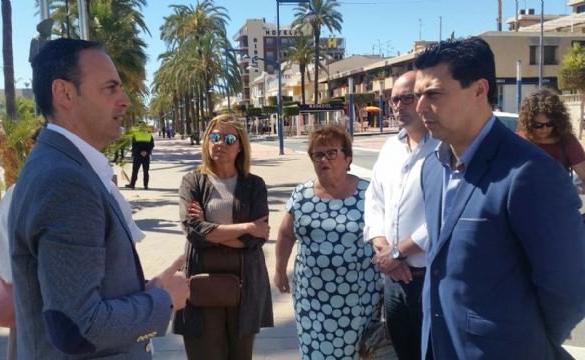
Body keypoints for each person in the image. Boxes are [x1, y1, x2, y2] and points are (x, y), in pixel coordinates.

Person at [8, 38, 189, 359]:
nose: (125, 100)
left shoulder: (62, 166)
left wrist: (148, 290)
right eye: (110, 88)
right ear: (65, 94)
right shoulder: (65, 181)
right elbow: (77, 328)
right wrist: (163, 300)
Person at [414, 37, 585, 359]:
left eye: (433, 94)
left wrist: (525, 336)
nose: (420, 107)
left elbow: (568, 287)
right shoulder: (432, 168)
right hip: (440, 345)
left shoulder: (530, 173)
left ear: (479, 90)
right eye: (418, 95)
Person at [275, 124, 380, 360]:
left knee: (359, 353)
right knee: (316, 353)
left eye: (331, 153)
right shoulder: (301, 194)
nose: (324, 160)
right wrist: (280, 271)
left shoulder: (370, 193)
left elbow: (384, 236)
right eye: (318, 155)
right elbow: (285, 234)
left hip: (360, 297)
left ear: (348, 157)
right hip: (312, 298)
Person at [174, 114, 273, 360]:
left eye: (229, 138)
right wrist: (246, 227)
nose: (221, 143)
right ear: (207, 141)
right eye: (215, 137)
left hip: (245, 284)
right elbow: (193, 230)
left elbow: (256, 240)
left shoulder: (255, 185)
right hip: (202, 282)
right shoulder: (193, 181)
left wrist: (213, 232)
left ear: (240, 146)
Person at [364, 71, 439, 360]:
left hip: (428, 279)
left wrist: (397, 253)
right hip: (393, 280)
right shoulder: (390, 148)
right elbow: (375, 201)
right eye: (393, 99)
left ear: (424, 99)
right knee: (404, 352)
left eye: (406, 98)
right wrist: (383, 248)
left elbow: (445, 213)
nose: (398, 105)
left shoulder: (444, 148)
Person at [517, 88, 585, 190]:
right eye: (538, 125)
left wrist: (574, 190)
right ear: (528, 123)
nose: (544, 129)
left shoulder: (567, 142)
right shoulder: (518, 141)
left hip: (558, 202)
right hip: (525, 202)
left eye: (550, 124)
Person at [125, 123, 155, 190]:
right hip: (146, 156)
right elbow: (152, 145)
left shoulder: (135, 135)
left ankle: (132, 185)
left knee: (135, 170)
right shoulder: (149, 135)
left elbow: (134, 145)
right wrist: (146, 152)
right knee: (146, 171)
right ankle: (146, 186)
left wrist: (140, 152)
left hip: (137, 155)